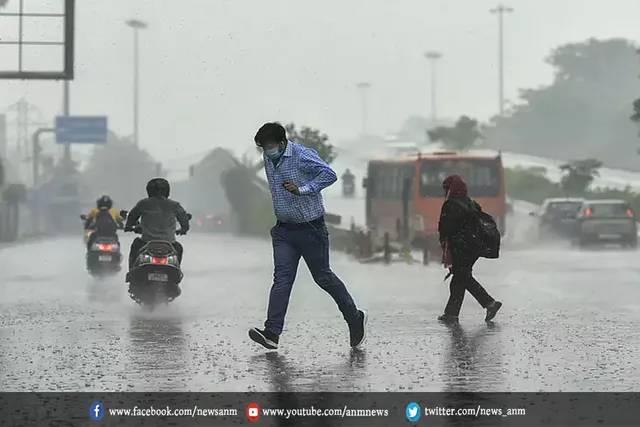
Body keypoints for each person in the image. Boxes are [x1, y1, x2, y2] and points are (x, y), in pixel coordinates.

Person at [248, 122, 368, 350]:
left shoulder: (302, 155)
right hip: (284, 231)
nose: (267, 150)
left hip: (311, 229)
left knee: (323, 278)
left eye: (271, 146)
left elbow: (330, 175)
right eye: (264, 147)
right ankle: (272, 332)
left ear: (282, 143)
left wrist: (303, 189)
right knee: (282, 279)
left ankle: (355, 319)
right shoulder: (268, 159)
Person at [437, 174, 502, 323]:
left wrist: (444, 244)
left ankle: (489, 303)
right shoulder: (471, 203)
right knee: (459, 279)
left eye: (446, 188)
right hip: (474, 247)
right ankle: (451, 314)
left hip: (460, 247)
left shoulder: (450, 205)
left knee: (463, 277)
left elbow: (446, 228)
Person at [124, 178, 190, 294]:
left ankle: (131, 276)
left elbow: (132, 217)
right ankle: (175, 278)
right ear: (167, 191)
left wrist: (129, 226)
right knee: (179, 248)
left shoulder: (143, 203)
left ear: (149, 190)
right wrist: (183, 229)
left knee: (135, 246)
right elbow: (184, 220)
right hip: (169, 244)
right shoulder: (174, 205)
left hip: (145, 242)